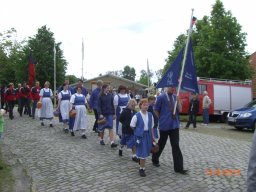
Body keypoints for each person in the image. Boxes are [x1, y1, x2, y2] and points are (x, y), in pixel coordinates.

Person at [151, 86, 188, 175]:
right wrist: (161, 118)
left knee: (175, 145)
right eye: (171, 87)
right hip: (164, 125)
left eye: (174, 87)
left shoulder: (175, 97)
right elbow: (155, 109)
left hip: (174, 125)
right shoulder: (161, 97)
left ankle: (179, 168)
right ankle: (155, 158)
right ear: (167, 88)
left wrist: (178, 100)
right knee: (162, 143)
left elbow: (180, 109)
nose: (173, 88)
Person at [130, 98, 154, 177]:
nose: (146, 106)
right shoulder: (136, 116)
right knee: (143, 153)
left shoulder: (150, 115)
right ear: (140, 106)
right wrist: (138, 131)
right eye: (144, 105)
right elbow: (132, 126)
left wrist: (153, 137)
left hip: (148, 135)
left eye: (147, 105)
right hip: (140, 136)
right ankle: (142, 168)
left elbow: (152, 127)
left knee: (146, 151)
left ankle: (141, 162)